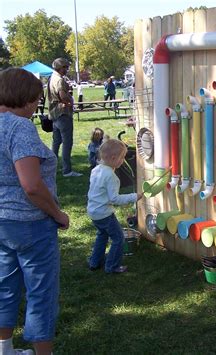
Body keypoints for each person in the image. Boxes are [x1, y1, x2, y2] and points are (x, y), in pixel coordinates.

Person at [0, 68, 70, 355]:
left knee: (4, 287)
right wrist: (57, 214)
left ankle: (4, 349)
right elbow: (31, 185)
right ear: (26, 98)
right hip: (31, 224)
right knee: (41, 293)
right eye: (36, 100)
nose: (35, 106)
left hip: (3, 224)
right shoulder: (20, 127)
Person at [87, 139, 142, 273]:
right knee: (118, 239)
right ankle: (112, 266)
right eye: (122, 157)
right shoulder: (110, 176)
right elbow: (115, 199)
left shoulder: (96, 169)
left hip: (93, 212)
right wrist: (134, 196)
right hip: (104, 214)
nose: (123, 160)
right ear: (113, 158)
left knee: (102, 235)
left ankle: (94, 262)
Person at [48, 58, 82, 177]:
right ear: (59, 67)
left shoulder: (51, 78)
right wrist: (70, 100)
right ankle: (67, 170)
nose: (67, 70)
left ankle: (51, 167)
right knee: (67, 142)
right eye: (65, 67)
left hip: (54, 114)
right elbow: (63, 96)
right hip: (63, 113)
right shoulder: (59, 80)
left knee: (56, 142)